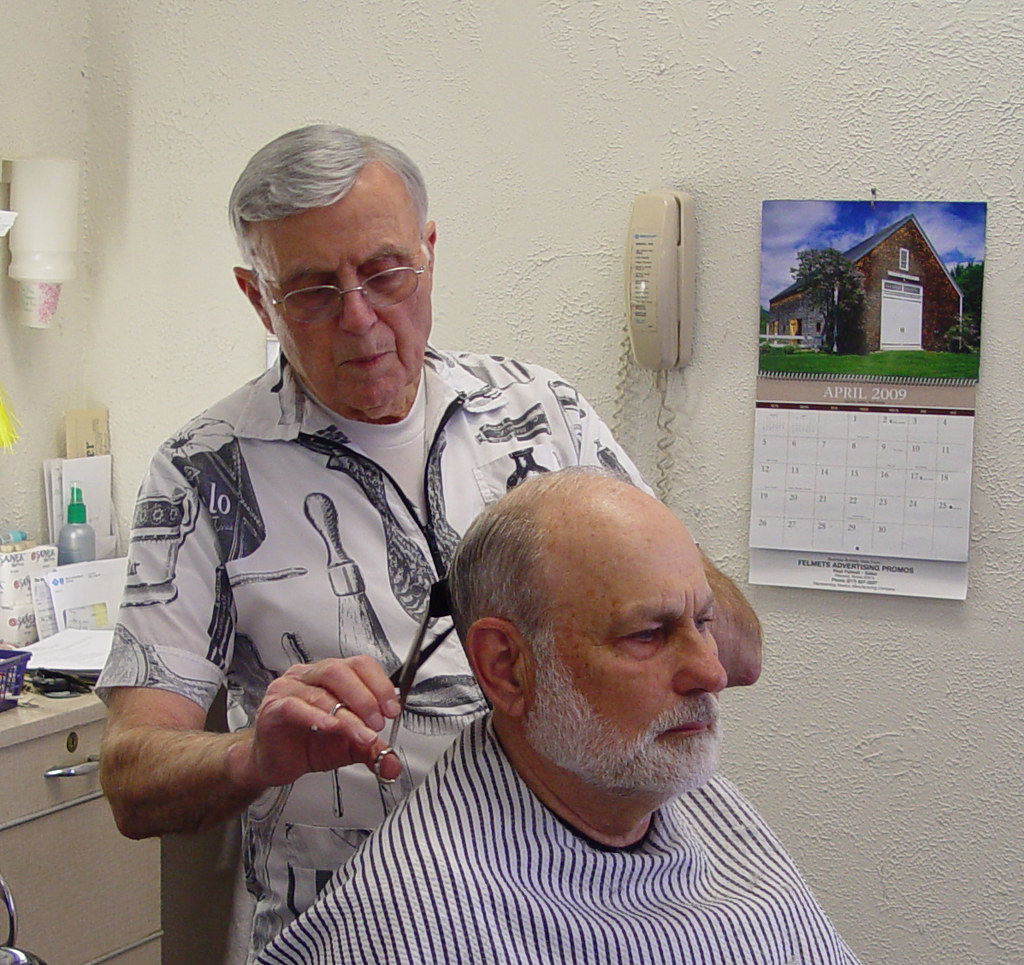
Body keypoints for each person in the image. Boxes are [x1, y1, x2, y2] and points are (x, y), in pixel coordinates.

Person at [96, 124, 760, 960]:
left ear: (430, 253)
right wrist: (252, 757)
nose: (360, 318)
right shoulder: (204, 474)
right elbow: (132, 778)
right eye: (311, 291)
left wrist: (635, 576)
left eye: (386, 273)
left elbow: (737, 652)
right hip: (358, 933)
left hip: (590, 916)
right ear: (257, 297)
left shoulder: (541, 415)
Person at [258, 468, 856, 965]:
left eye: (702, 622)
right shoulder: (418, 921)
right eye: (647, 635)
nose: (713, 673)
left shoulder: (686, 792)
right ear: (507, 667)